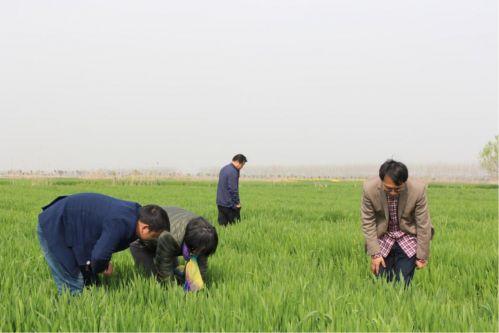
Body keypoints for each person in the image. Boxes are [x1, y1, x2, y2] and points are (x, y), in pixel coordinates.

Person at [37, 193, 169, 294]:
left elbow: (102, 240)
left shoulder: (136, 214)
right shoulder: (121, 223)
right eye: (154, 236)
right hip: (56, 226)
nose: (152, 240)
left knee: (92, 285)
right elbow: (99, 256)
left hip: (76, 230)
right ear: (145, 228)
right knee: (74, 286)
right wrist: (103, 265)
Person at [361, 159, 433, 286]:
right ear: (382, 181)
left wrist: (422, 255)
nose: (393, 193)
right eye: (389, 189)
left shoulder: (417, 189)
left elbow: (423, 224)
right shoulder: (369, 189)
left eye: (397, 189)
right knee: (382, 284)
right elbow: (368, 222)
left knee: (402, 285)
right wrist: (375, 254)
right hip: (383, 238)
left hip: (407, 238)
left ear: (404, 182)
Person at [129, 206, 218, 288]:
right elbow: (164, 267)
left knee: (175, 273)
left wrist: (197, 284)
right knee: (154, 279)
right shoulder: (170, 237)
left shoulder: (203, 234)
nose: (199, 253)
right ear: (190, 243)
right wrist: (171, 290)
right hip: (143, 241)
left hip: (168, 231)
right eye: (198, 250)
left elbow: (201, 261)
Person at [216, 154, 247, 225]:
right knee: (235, 226)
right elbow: (233, 189)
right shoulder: (233, 171)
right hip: (229, 205)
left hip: (220, 203)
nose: (242, 167)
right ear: (239, 162)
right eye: (242, 165)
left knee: (222, 227)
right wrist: (237, 203)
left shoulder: (224, 168)